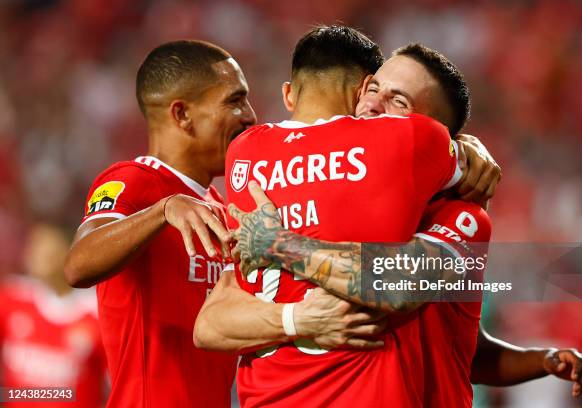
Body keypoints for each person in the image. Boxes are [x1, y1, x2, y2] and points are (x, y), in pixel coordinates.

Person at [198, 32, 582, 406]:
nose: (372, 104)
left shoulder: (462, 218)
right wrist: (296, 320)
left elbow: (434, 320)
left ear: (431, 136)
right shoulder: (309, 194)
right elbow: (211, 323)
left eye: (398, 102)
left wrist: (281, 245)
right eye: (372, 89)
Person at [64, 39, 393, 407]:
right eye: (234, 101)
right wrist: (163, 210)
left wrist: (302, 319)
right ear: (182, 114)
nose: (251, 115)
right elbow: (77, 265)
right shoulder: (135, 181)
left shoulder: (223, 207)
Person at [0, 223, 107, 407]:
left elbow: (116, 383)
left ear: (70, 252)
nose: (38, 255)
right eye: (35, 247)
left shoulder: (97, 315)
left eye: (48, 248)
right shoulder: (11, 299)